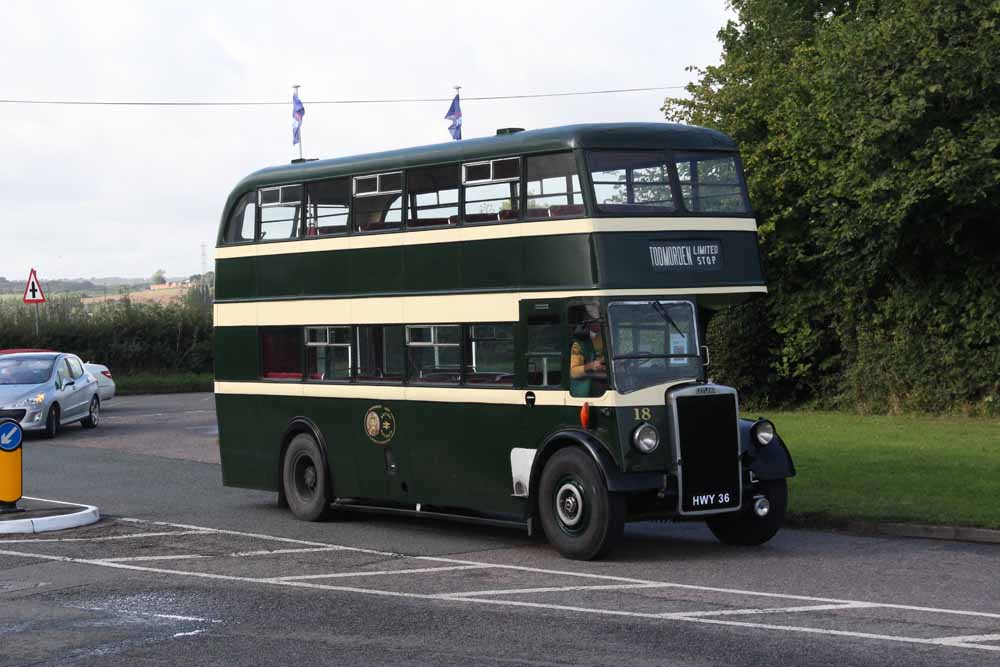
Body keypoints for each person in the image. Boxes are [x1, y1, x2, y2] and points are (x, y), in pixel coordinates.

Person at [570, 303, 607, 397]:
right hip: (583, 393)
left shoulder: (605, 338)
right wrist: (590, 366)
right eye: (597, 321)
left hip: (604, 387)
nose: (600, 324)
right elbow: (573, 372)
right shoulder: (579, 343)